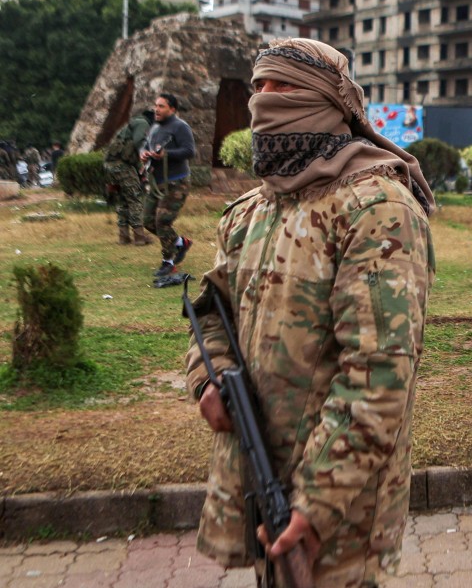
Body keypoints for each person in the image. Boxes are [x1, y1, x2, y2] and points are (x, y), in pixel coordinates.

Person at [184, 38, 435, 587]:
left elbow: (379, 373)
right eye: (259, 86)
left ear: (328, 100)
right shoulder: (252, 210)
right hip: (259, 471)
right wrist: (208, 376)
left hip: (338, 504)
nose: (264, 100)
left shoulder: (377, 209)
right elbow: (211, 310)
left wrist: (316, 502)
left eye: (284, 87)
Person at [142, 93, 196, 278]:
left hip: (176, 182)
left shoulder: (180, 127)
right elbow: (146, 145)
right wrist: (144, 153)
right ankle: (180, 243)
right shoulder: (155, 127)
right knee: (148, 221)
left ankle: (168, 262)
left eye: (161, 106)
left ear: (172, 109)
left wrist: (166, 154)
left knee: (162, 222)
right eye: (156, 105)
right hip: (157, 183)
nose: (156, 109)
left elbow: (189, 151)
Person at [104, 110, 155, 246]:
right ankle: (139, 237)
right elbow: (139, 143)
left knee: (123, 200)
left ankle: (124, 237)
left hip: (111, 165)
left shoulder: (132, 124)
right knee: (134, 199)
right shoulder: (143, 123)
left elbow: (131, 150)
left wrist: (140, 171)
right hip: (122, 166)